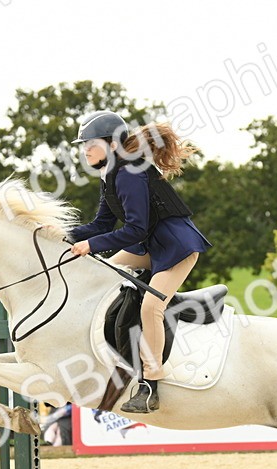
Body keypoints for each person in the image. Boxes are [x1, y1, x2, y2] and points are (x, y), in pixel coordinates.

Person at [65, 111, 210, 413]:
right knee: (106, 272)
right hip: (150, 244)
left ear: (112, 144)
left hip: (175, 247)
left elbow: (135, 229)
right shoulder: (110, 176)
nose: (84, 150)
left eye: (90, 143)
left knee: (151, 306)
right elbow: (102, 224)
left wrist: (89, 245)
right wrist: (61, 235)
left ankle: (150, 384)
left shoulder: (130, 173)